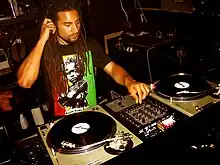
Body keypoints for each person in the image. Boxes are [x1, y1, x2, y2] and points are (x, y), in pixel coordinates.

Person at [17, 0, 150, 116]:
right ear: (53, 25)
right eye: (68, 25)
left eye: (77, 23)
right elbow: (24, 82)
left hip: (93, 114)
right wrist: (42, 40)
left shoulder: (89, 45)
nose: (75, 29)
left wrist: (129, 81)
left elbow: (112, 68)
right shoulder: (43, 51)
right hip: (61, 121)